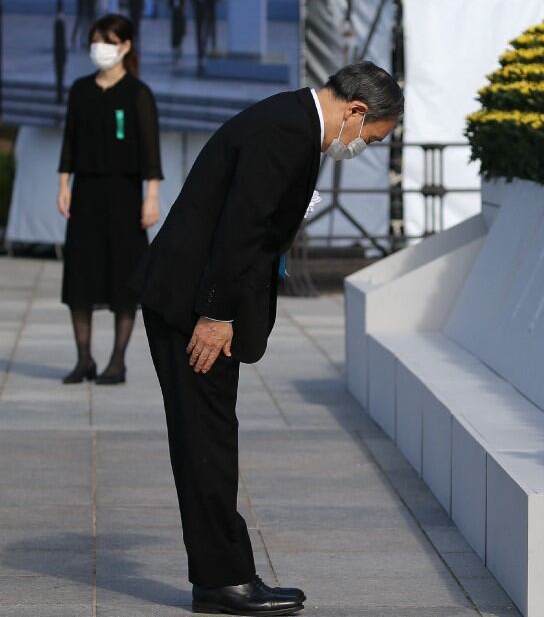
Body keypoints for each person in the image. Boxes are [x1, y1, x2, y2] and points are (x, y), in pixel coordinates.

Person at [130, 61, 402, 615]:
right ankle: (221, 581)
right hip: (195, 305)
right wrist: (216, 316)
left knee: (209, 439)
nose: (359, 147)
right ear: (355, 111)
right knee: (206, 442)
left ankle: (225, 573)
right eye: (369, 138)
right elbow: (242, 231)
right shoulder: (287, 132)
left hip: (195, 297)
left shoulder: (290, 120)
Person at [57, 14, 162, 385]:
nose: (100, 48)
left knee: (124, 276)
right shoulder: (80, 90)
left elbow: (151, 152)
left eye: (109, 41)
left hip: (125, 196)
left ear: (126, 46)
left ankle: (117, 361)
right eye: (96, 40)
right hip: (85, 193)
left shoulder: (138, 93)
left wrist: (151, 197)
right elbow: (69, 141)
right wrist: (64, 184)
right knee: (80, 276)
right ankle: (83, 357)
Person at [54, 0, 67, 104]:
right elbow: (61, 41)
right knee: (60, 76)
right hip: (60, 55)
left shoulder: (57, 21)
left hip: (57, 54)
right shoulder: (60, 21)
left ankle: (59, 96)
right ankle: (60, 98)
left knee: (59, 76)